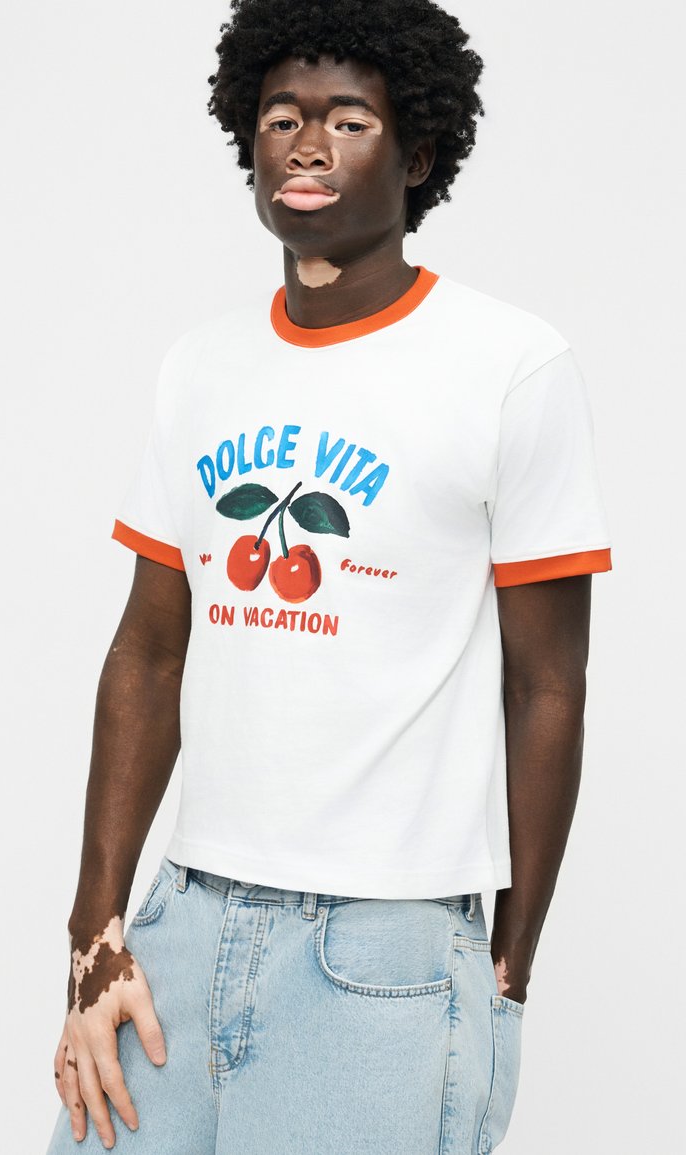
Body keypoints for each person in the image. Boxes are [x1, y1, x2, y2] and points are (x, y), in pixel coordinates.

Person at [46, 1, 612, 1151]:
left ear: (416, 155)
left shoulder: (508, 366)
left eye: (348, 121)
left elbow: (545, 683)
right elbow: (148, 652)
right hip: (180, 922)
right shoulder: (199, 367)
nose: (306, 145)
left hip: (382, 955)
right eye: (280, 118)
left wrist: (506, 965)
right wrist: (94, 929)